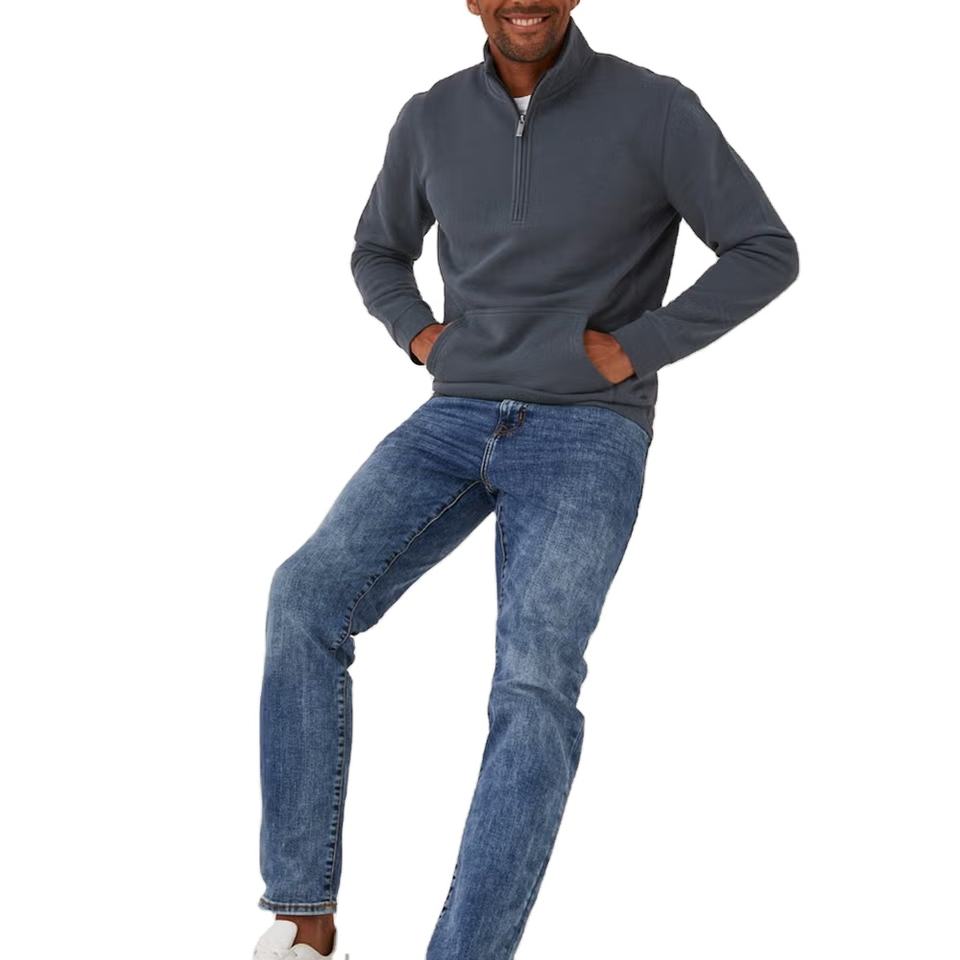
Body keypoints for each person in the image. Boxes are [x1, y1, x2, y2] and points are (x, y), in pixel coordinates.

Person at [251, 2, 799, 957]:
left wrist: (637, 348)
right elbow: (377, 249)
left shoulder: (657, 108)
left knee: (534, 682)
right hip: (456, 413)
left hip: (589, 427)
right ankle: (303, 917)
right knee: (304, 597)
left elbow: (765, 249)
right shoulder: (430, 116)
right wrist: (419, 335)